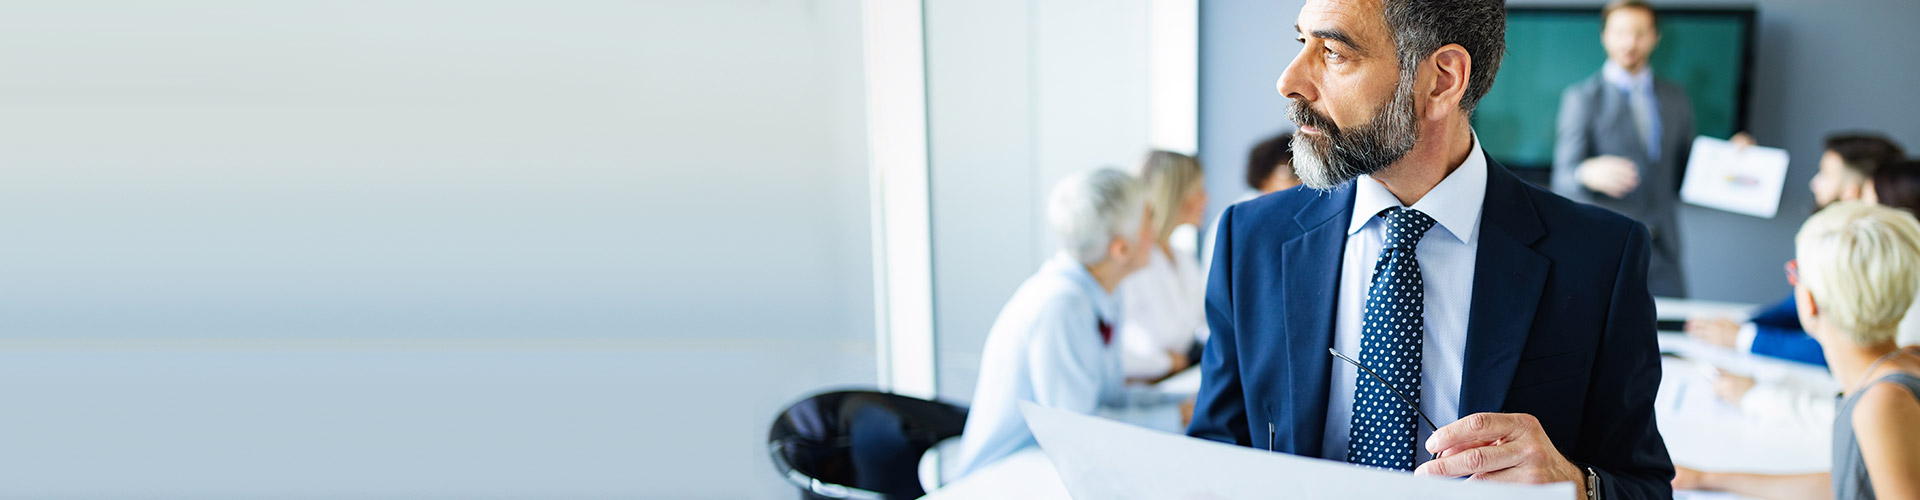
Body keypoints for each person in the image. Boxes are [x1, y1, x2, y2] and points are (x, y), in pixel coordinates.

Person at [1188, 0, 1672, 497]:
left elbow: (1645, 485)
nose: (1288, 80)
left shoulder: (1600, 258)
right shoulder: (1250, 238)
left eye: (1332, 51)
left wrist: (1578, 485)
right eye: (1301, 43)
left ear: (1442, 80)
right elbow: (1210, 455)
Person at [1672, 202, 1920, 500]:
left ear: (1811, 300)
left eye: (1796, 273)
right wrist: (1706, 478)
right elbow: (1848, 483)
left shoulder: (1882, 403)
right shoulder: (1902, 361)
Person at [948, 168, 1184, 479]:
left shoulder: (1101, 292)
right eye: (1148, 220)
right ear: (1120, 249)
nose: (1156, 231)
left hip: (1046, 463)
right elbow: (1081, 429)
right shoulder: (1062, 306)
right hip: (1006, 474)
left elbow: (1109, 397)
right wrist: (1176, 416)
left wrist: (1180, 404)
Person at [1687, 134, 1908, 367]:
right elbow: (1795, 308)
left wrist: (1744, 338)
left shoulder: (1874, 258)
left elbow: (1847, 347)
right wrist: (1743, 326)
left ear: (1851, 192)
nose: (1814, 183)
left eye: (1825, 175)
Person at [1551, 0, 1697, 298]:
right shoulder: (1582, 98)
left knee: (1670, 337)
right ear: (1605, 36)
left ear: (1655, 37)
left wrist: (1734, 157)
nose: (1630, 42)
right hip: (1607, 249)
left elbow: (1690, 169)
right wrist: (1584, 173)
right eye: (1620, 32)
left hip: (1664, 253)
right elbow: (1562, 177)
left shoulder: (1676, 98)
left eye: (1640, 33)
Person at [1115, 151, 1210, 381]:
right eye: (1197, 191)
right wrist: (1166, 362)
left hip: (1179, 380)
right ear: (1175, 196)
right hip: (1143, 386)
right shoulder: (1129, 262)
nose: (1205, 199)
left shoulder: (1183, 259)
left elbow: (1203, 322)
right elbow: (1114, 350)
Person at [1246, 132, 1303, 198]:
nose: (1301, 181)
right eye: (1292, 172)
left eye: (1303, 173)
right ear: (1264, 181)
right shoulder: (1246, 207)